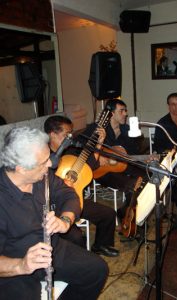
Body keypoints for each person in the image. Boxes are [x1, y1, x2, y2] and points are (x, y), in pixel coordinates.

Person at [0, 126, 108, 300]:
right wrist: (20, 265)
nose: (51, 164)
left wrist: (65, 219)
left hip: (51, 248)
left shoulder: (42, 176)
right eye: (44, 162)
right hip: (16, 262)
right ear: (21, 168)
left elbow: (68, 193)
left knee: (97, 270)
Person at [44, 115, 119, 257]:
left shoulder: (70, 150)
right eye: (66, 134)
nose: (70, 138)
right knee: (76, 237)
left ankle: (101, 245)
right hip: (54, 207)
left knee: (108, 214)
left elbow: (89, 166)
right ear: (52, 134)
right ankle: (80, 261)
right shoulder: (43, 157)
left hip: (74, 199)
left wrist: (99, 143)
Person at [79, 99, 150, 225]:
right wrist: (97, 156)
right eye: (121, 111)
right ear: (111, 114)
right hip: (101, 171)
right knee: (132, 184)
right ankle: (128, 218)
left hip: (124, 165)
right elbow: (79, 145)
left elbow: (132, 153)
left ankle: (127, 211)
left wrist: (145, 158)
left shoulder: (127, 130)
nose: (125, 114)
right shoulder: (96, 128)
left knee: (147, 175)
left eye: (125, 110)